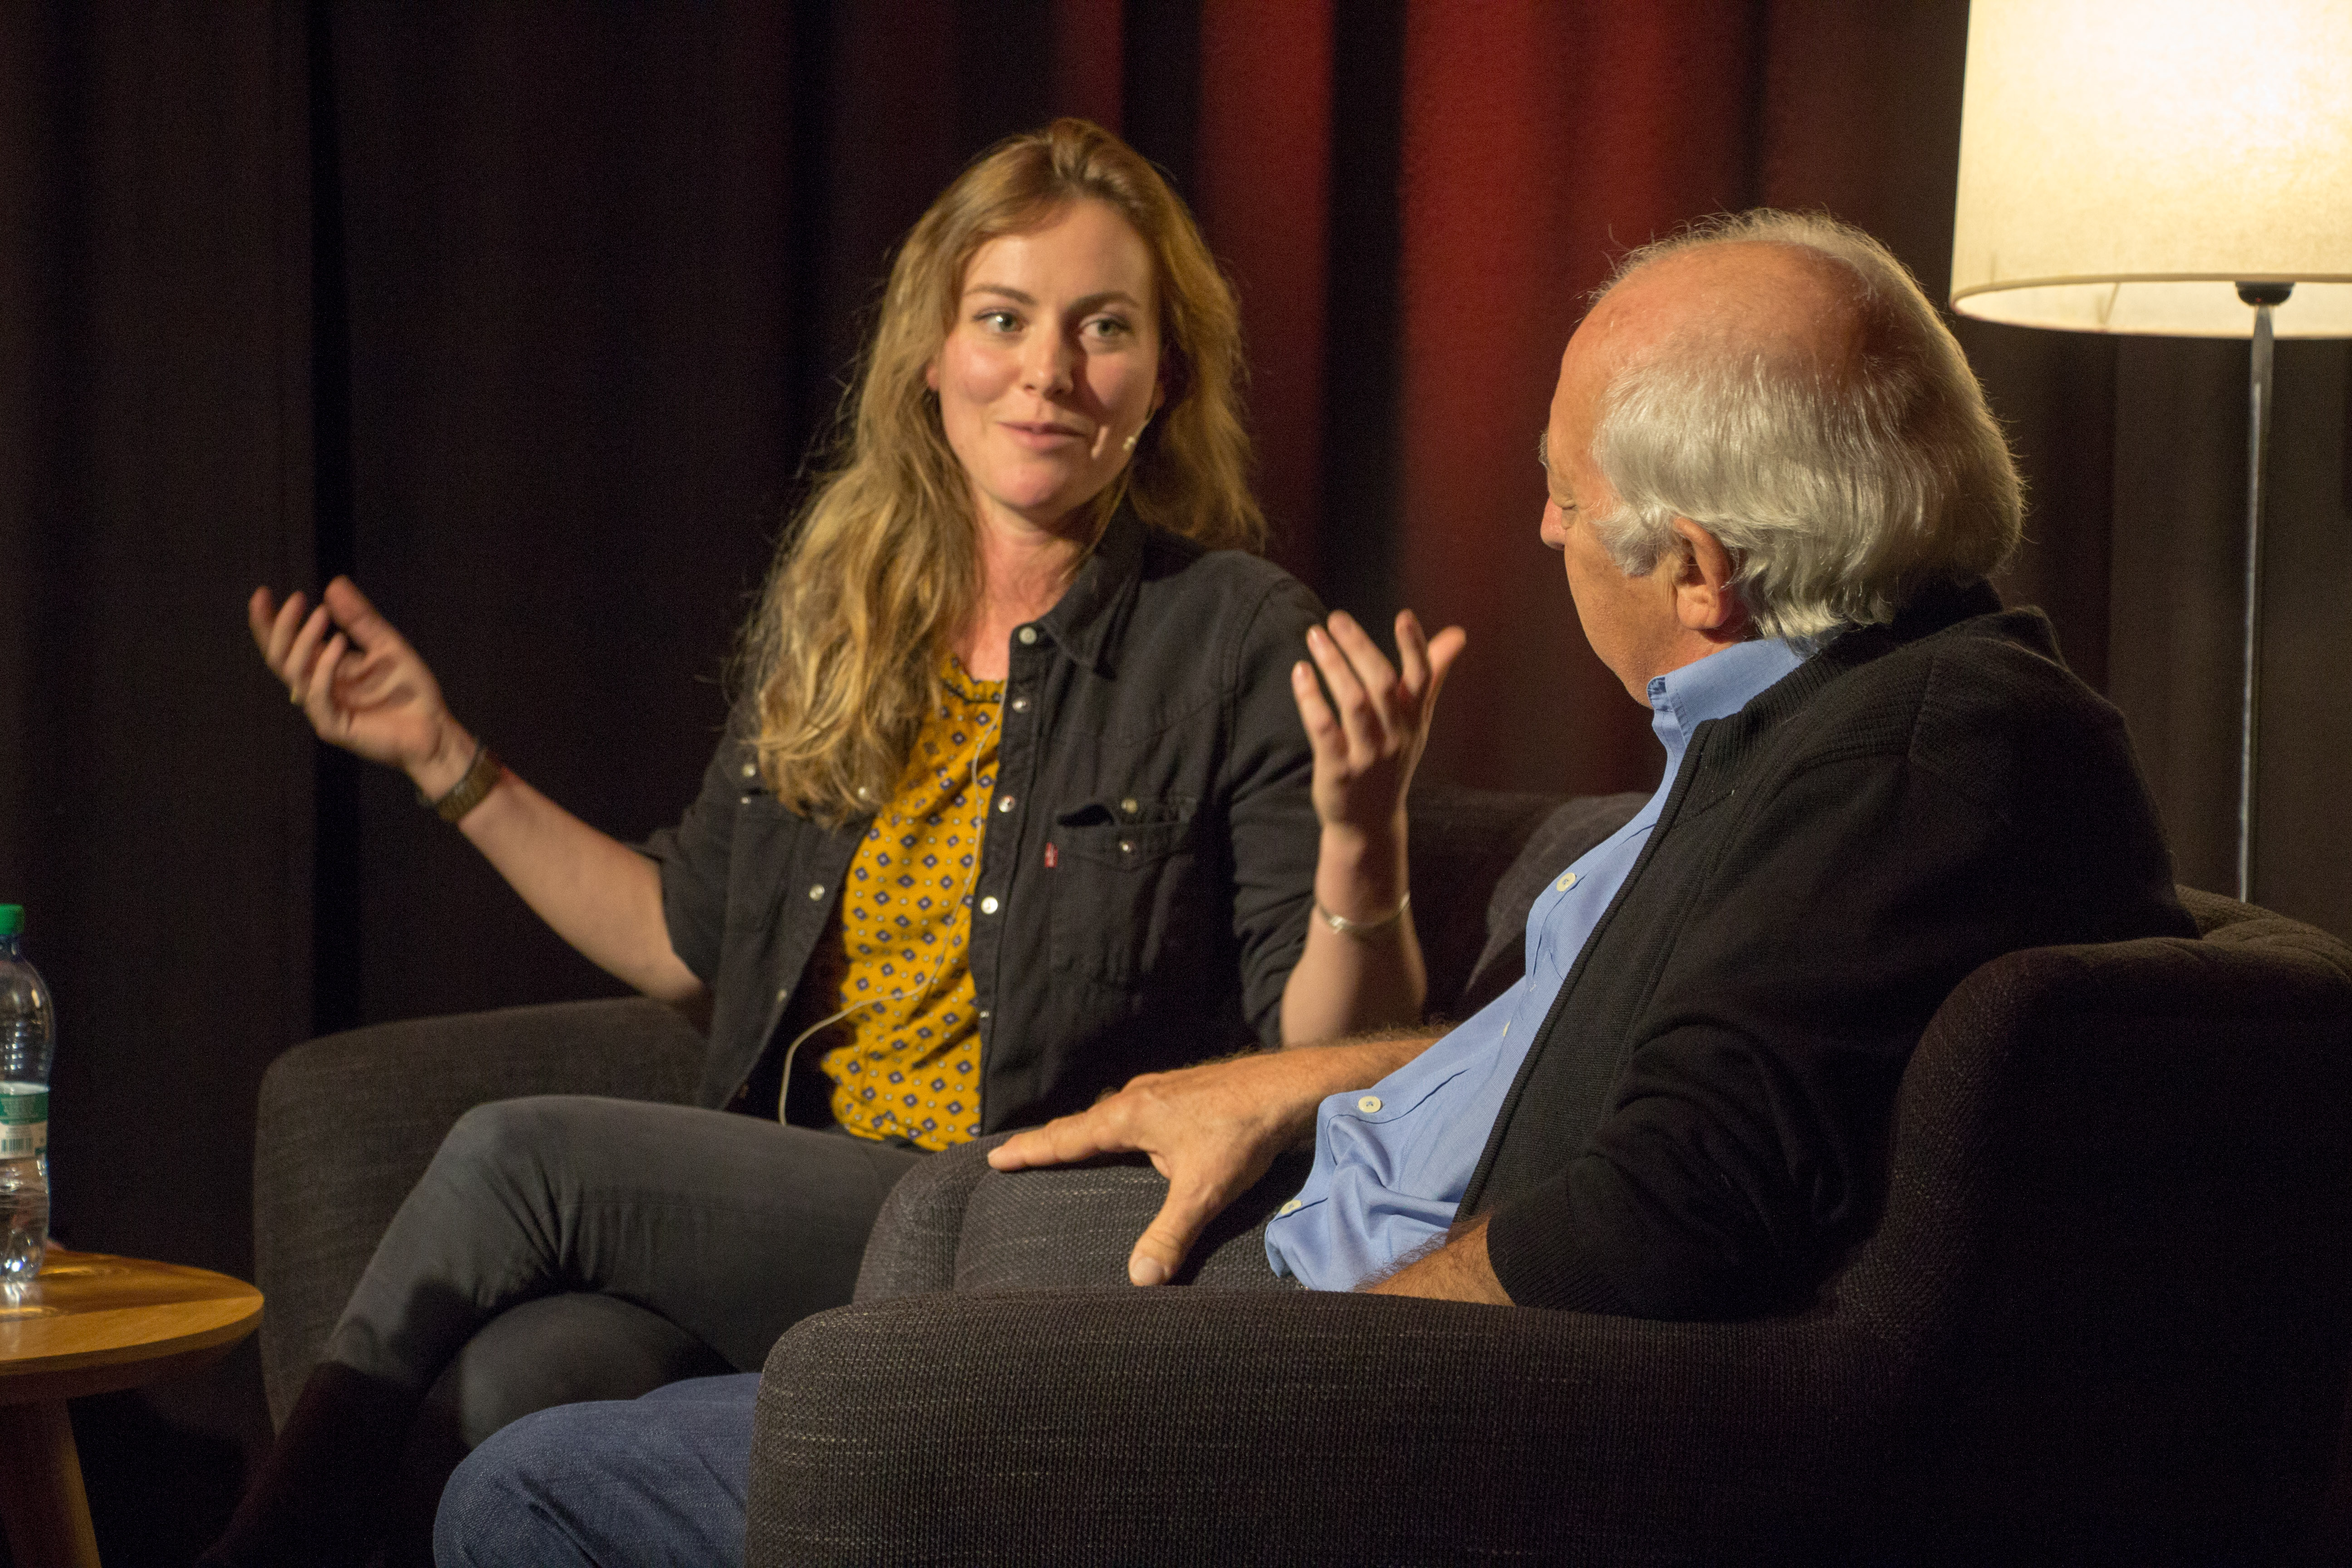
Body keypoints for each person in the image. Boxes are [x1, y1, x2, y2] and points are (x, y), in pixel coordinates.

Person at [431, 209, 2192, 1565]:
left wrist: (1259, 1368)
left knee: (536, 1479)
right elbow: (1639, 1054)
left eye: (1562, 496)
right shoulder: (1811, 722)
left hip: (1269, 1347)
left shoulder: (1911, 762)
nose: (1546, 534)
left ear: (1704, 570)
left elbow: (1657, 1217)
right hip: (1185, 1225)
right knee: (545, 1361)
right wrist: (1317, 1080)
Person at [202, 119, 1463, 1568]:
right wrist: (441, 758)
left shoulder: (1233, 633)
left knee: (514, 1159)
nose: (1049, 371)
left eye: (1104, 329)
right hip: (805, 1202)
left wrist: (1365, 839)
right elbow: (690, 936)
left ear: (1162, 380)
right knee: (520, 1384)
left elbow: (1330, 1057)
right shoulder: (848, 613)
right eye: (1005, 319)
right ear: (933, 355)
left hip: (1016, 1222)